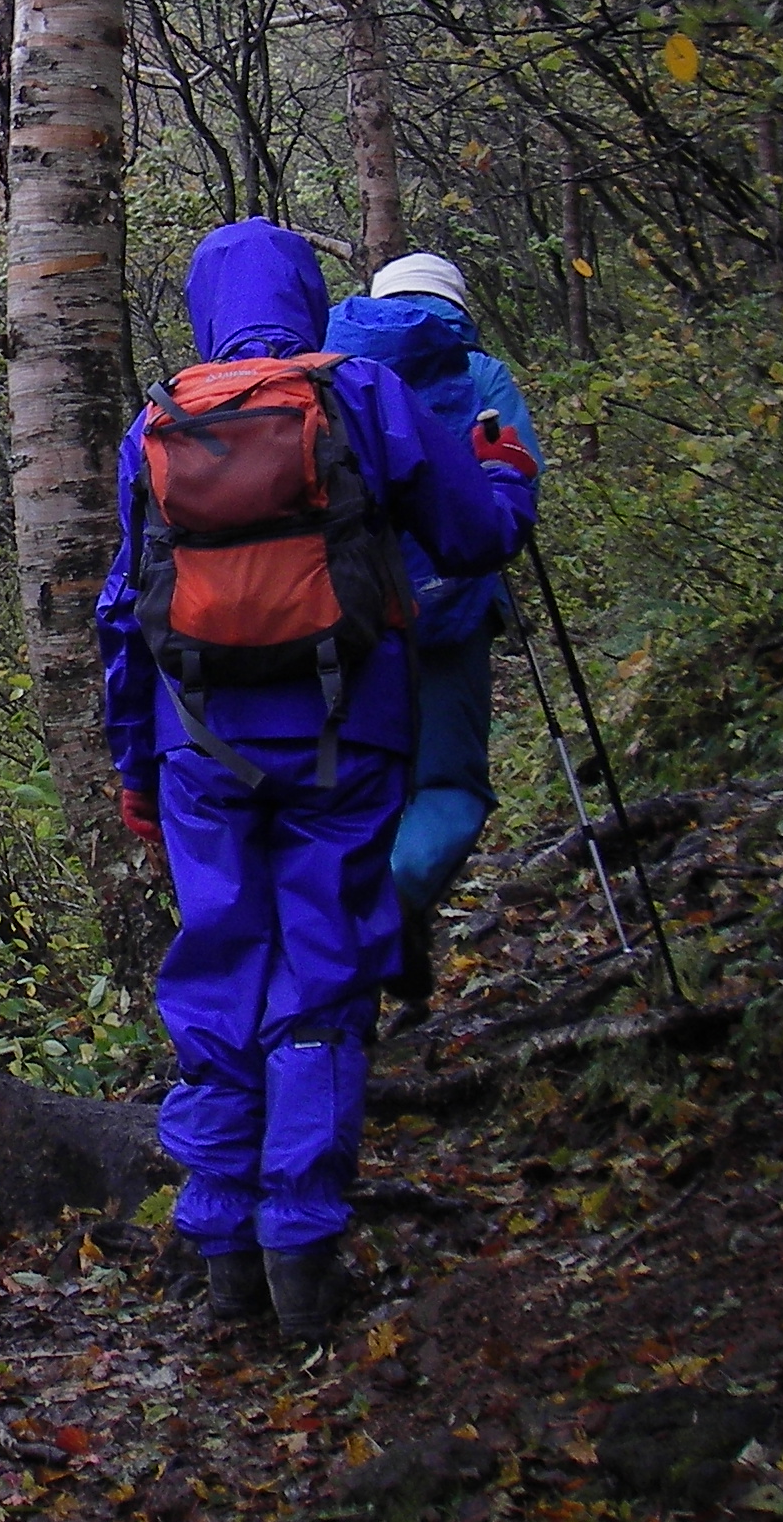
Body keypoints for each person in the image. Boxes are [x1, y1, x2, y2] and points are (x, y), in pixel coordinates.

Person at [96, 220, 539, 1344]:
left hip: (199, 750)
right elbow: (474, 539)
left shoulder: (159, 420)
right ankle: (300, 1253)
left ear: (203, 307)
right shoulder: (361, 393)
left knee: (217, 975)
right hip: (347, 736)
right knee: (321, 973)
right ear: (307, 297)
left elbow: (123, 615)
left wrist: (137, 769)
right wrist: (504, 471)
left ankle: (220, 1247)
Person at [323, 253, 544, 1007]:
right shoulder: (478, 374)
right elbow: (516, 480)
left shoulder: (329, 372)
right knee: (449, 788)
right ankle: (385, 913)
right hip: (451, 612)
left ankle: (364, 937)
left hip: (349, 616)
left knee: (369, 788)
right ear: (457, 304)